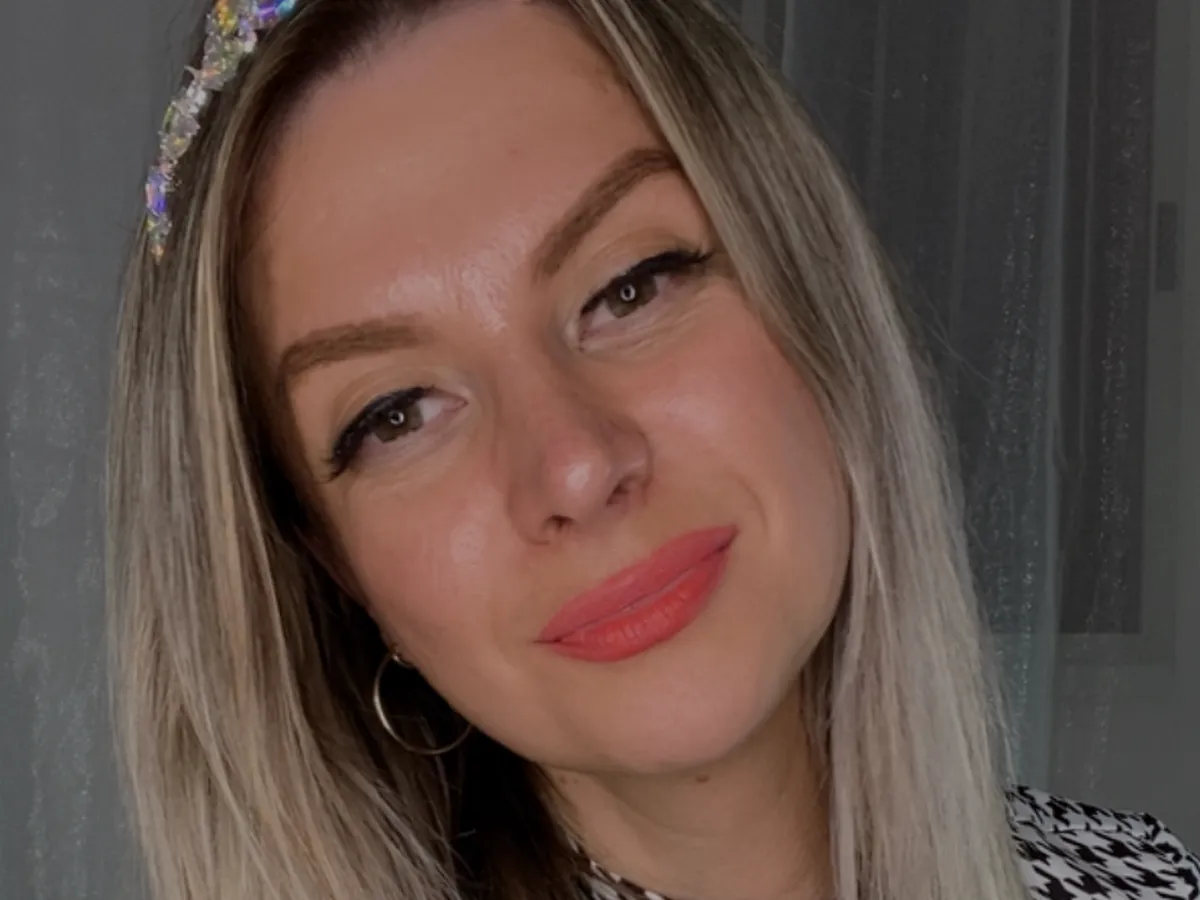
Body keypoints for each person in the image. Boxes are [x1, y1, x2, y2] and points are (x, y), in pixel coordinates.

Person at [106, 2, 1200, 899]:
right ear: (331, 564)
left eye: (630, 287)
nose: (576, 467)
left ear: (806, 282)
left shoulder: (1145, 878)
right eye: (395, 413)